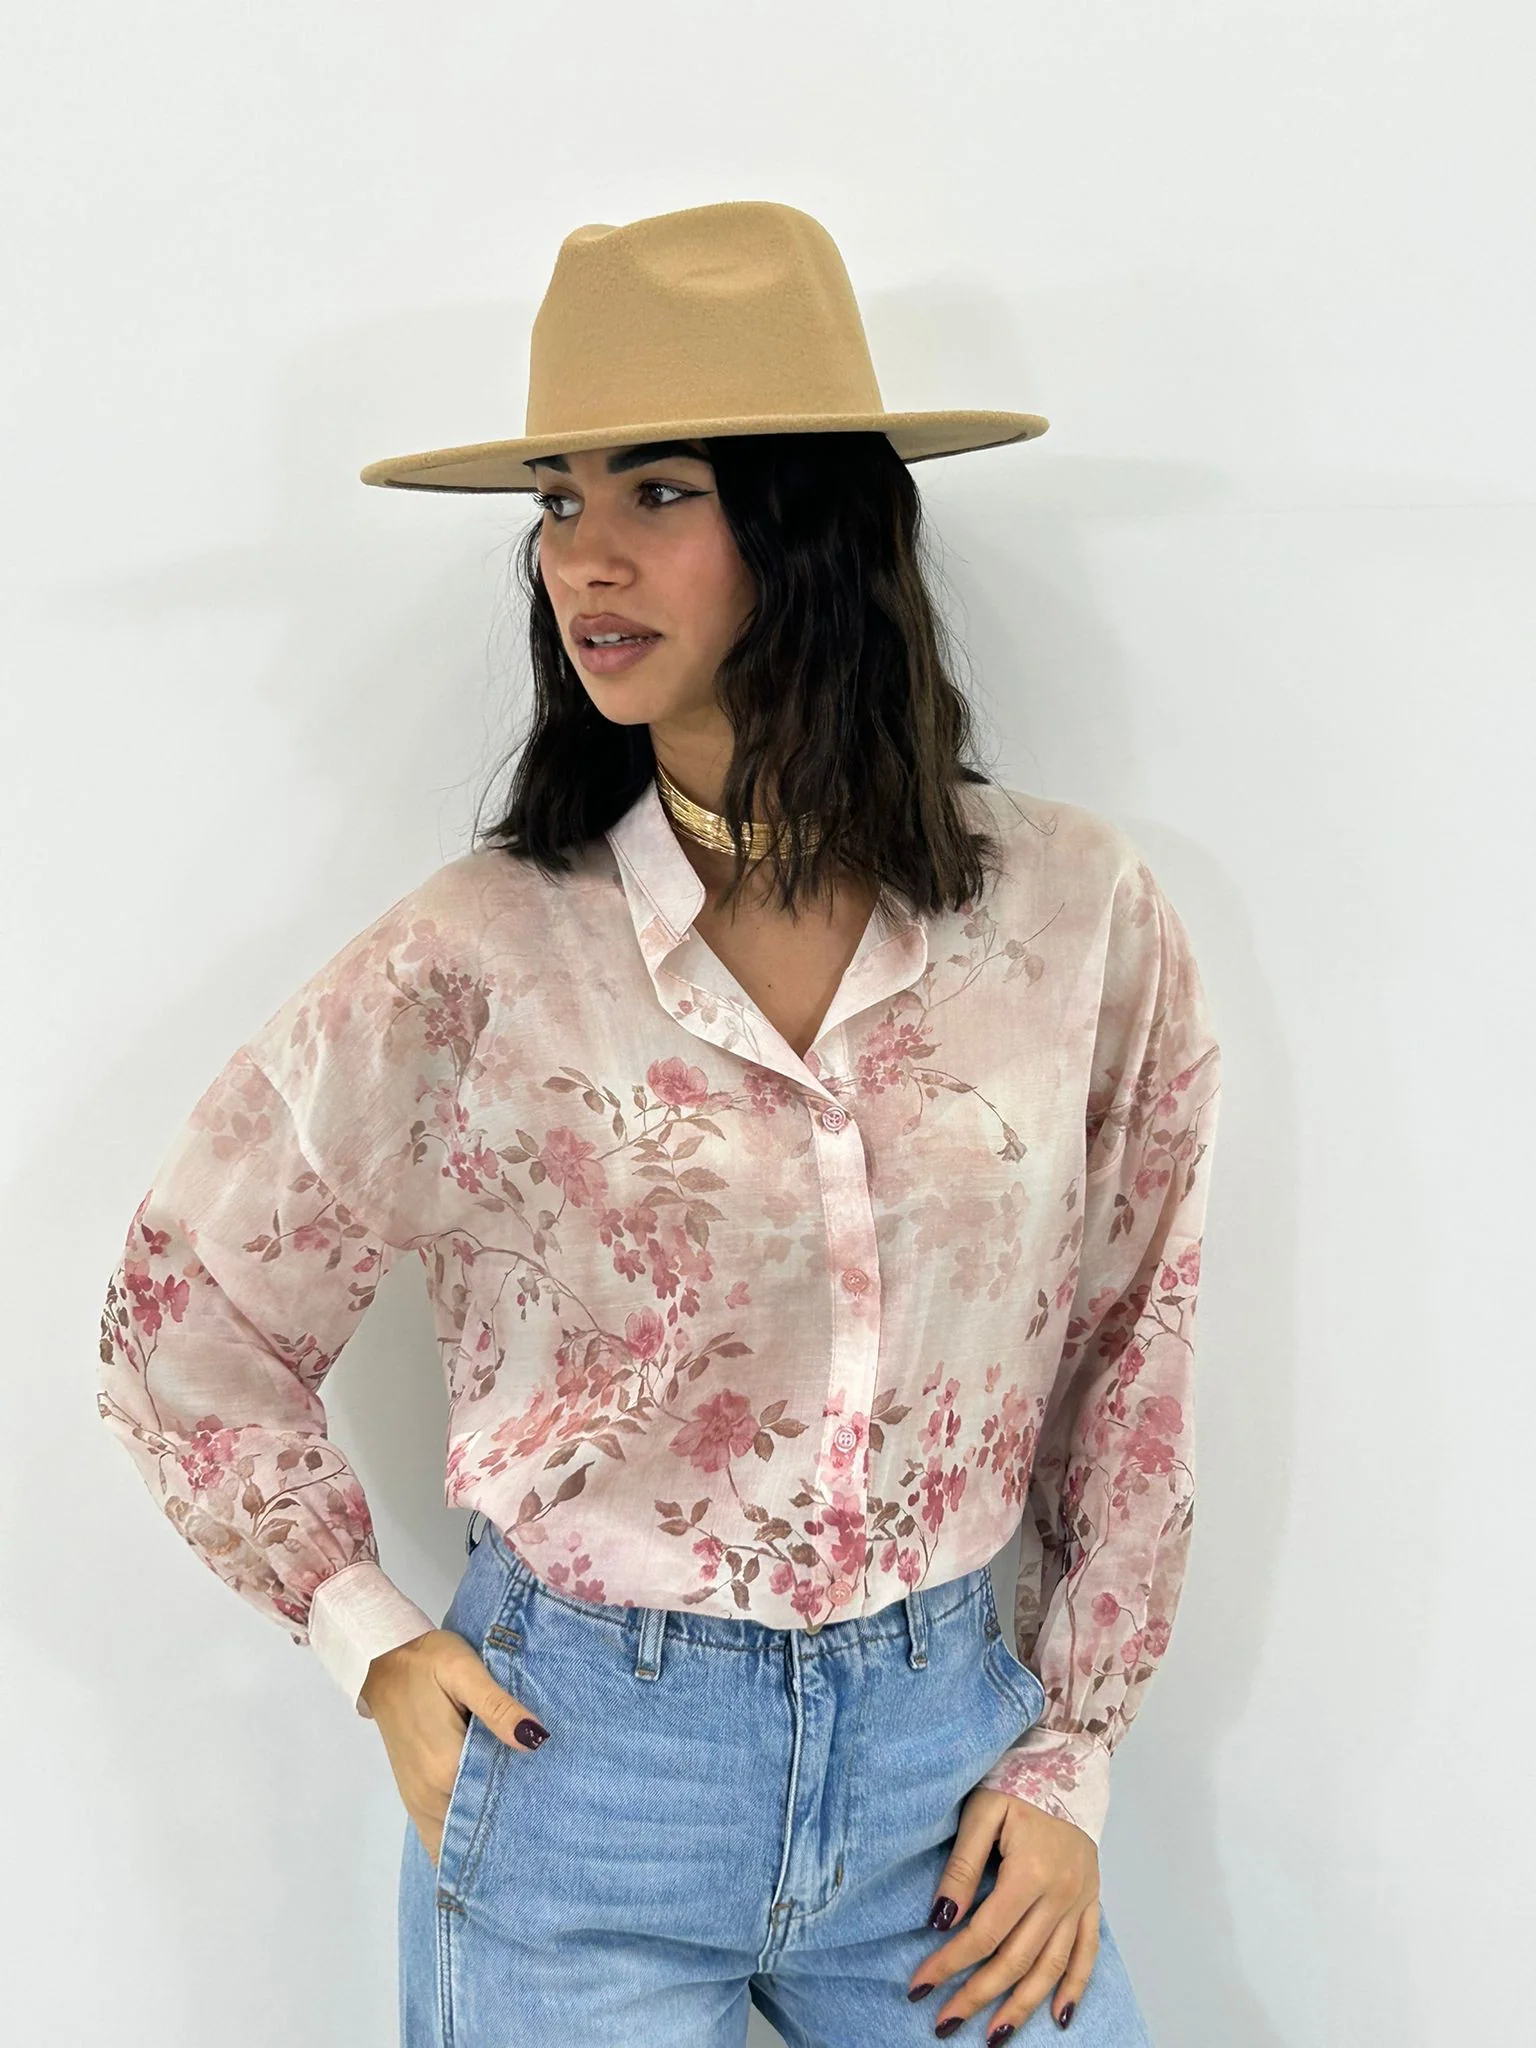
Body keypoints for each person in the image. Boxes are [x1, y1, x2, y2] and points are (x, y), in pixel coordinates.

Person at [97, 201, 1222, 2048]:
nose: (584, 557)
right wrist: (369, 1639)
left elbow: (1135, 1346)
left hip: (953, 1786)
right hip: (579, 1776)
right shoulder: (480, 956)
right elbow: (184, 1315)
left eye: (662, 491)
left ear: (815, 526)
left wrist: (1074, 1754)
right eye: (559, 501)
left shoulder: (1075, 919)